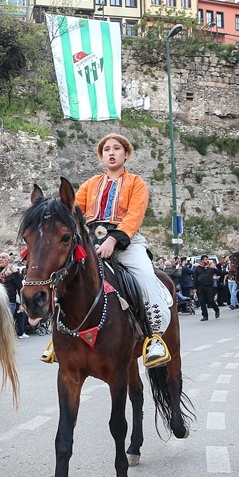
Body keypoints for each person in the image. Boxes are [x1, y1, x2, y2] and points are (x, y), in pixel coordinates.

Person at [71, 133, 172, 367]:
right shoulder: (90, 184)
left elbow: (134, 215)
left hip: (127, 242)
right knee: (67, 273)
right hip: (91, 241)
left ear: (126, 154)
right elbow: (74, 211)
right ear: (102, 156)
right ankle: (61, 336)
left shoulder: (136, 183)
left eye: (117, 148)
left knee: (146, 276)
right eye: (107, 149)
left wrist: (113, 240)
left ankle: (154, 338)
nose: (112, 152)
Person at [194, 256, 220, 321]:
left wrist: (215, 267)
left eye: (208, 259)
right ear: (202, 260)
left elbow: (219, 273)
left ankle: (216, 310)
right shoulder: (198, 268)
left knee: (210, 300)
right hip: (200, 287)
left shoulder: (211, 268)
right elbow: (195, 278)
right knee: (202, 302)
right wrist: (194, 288)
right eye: (206, 259)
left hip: (209, 286)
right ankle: (205, 316)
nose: (207, 260)